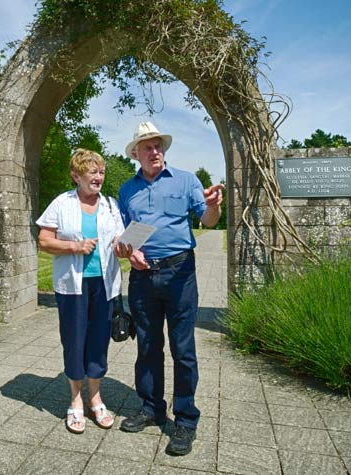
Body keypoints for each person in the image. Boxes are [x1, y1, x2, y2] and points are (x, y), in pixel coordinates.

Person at [113, 121, 224, 456]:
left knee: (183, 349)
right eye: (147, 146)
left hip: (179, 274)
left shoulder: (187, 180)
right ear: (136, 154)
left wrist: (214, 204)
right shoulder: (126, 190)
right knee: (147, 346)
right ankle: (151, 408)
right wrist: (127, 252)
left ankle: (186, 419)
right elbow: (121, 234)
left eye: (159, 145)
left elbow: (207, 221)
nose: (155, 151)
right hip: (143, 277)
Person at [36, 148, 126, 434]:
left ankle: (95, 397)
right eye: (92, 172)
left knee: (99, 340)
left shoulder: (110, 205)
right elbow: (44, 240)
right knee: (75, 340)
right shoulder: (62, 203)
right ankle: (75, 400)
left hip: (104, 283)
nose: (98, 177)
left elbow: (119, 239)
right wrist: (75, 246)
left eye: (101, 172)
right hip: (72, 286)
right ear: (76, 176)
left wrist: (124, 247)